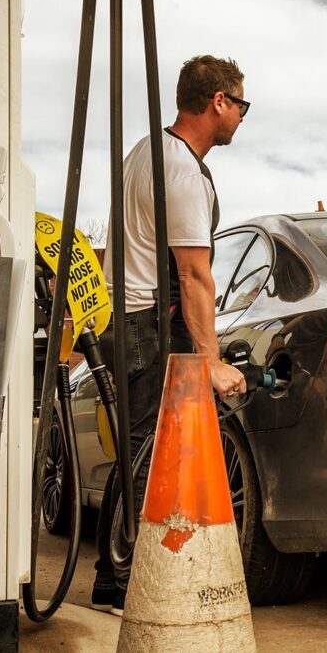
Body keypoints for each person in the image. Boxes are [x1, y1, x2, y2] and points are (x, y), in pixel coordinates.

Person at [93, 55, 250, 615]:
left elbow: (116, 249)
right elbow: (193, 274)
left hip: (124, 318)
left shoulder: (143, 153)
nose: (241, 117)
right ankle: (127, 581)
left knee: (136, 451)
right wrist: (209, 360)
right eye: (241, 105)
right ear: (218, 103)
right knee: (146, 455)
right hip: (145, 326)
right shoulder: (182, 171)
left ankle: (111, 580)